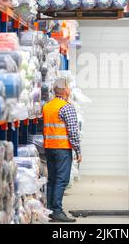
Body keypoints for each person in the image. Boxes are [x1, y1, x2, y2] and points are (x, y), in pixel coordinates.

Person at [43, 77, 82, 222]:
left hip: (49, 148)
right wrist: (78, 150)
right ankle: (57, 211)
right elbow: (73, 132)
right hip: (62, 149)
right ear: (66, 90)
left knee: (52, 179)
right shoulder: (66, 107)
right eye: (69, 88)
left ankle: (50, 210)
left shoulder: (47, 106)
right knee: (61, 180)